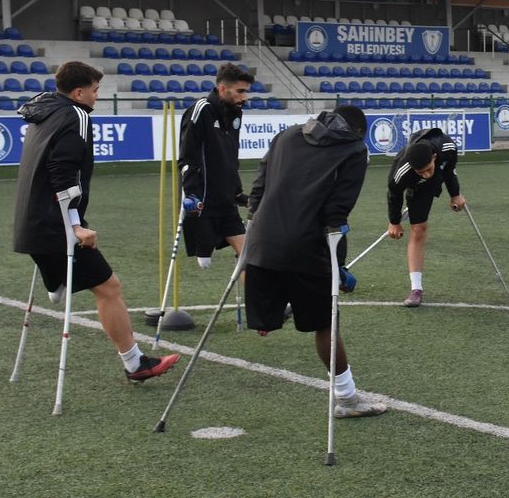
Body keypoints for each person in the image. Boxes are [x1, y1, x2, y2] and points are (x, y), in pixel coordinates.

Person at [12, 61, 179, 381]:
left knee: (83, 282)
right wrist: (74, 224)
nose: (97, 96)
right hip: (54, 225)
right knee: (109, 287)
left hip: (31, 223)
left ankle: (56, 282)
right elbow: (63, 171)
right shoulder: (75, 115)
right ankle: (135, 363)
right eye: (95, 89)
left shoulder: (42, 111)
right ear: (79, 92)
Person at [243, 105, 386, 419]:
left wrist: (254, 221)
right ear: (359, 132)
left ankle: (275, 311)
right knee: (325, 324)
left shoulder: (287, 134)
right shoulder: (354, 149)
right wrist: (339, 265)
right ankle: (347, 400)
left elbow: (259, 185)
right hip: (305, 248)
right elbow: (336, 215)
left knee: (276, 313)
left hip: (262, 244)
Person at [179, 63, 254, 269]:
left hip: (226, 201)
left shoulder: (236, 112)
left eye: (246, 92)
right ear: (222, 89)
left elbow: (230, 157)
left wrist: (237, 192)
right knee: (204, 263)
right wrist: (192, 194)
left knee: (249, 255)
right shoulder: (201, 110)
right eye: (240, 91)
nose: (244, 97)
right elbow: (187, 158)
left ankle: (259, 302)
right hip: (203, 202)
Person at [386, 128, 465, 307]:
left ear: (434, 157)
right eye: (421, 171)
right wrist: (394, 222)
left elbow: (449, 169)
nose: (426, 174)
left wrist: (455, 194)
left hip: (440, 173)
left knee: (435, 176)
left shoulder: (448, 148)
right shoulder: (402, 170)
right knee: (418, 230)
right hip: (417, 188)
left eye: (428, 169)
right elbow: (394, 194)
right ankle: (416, 289)